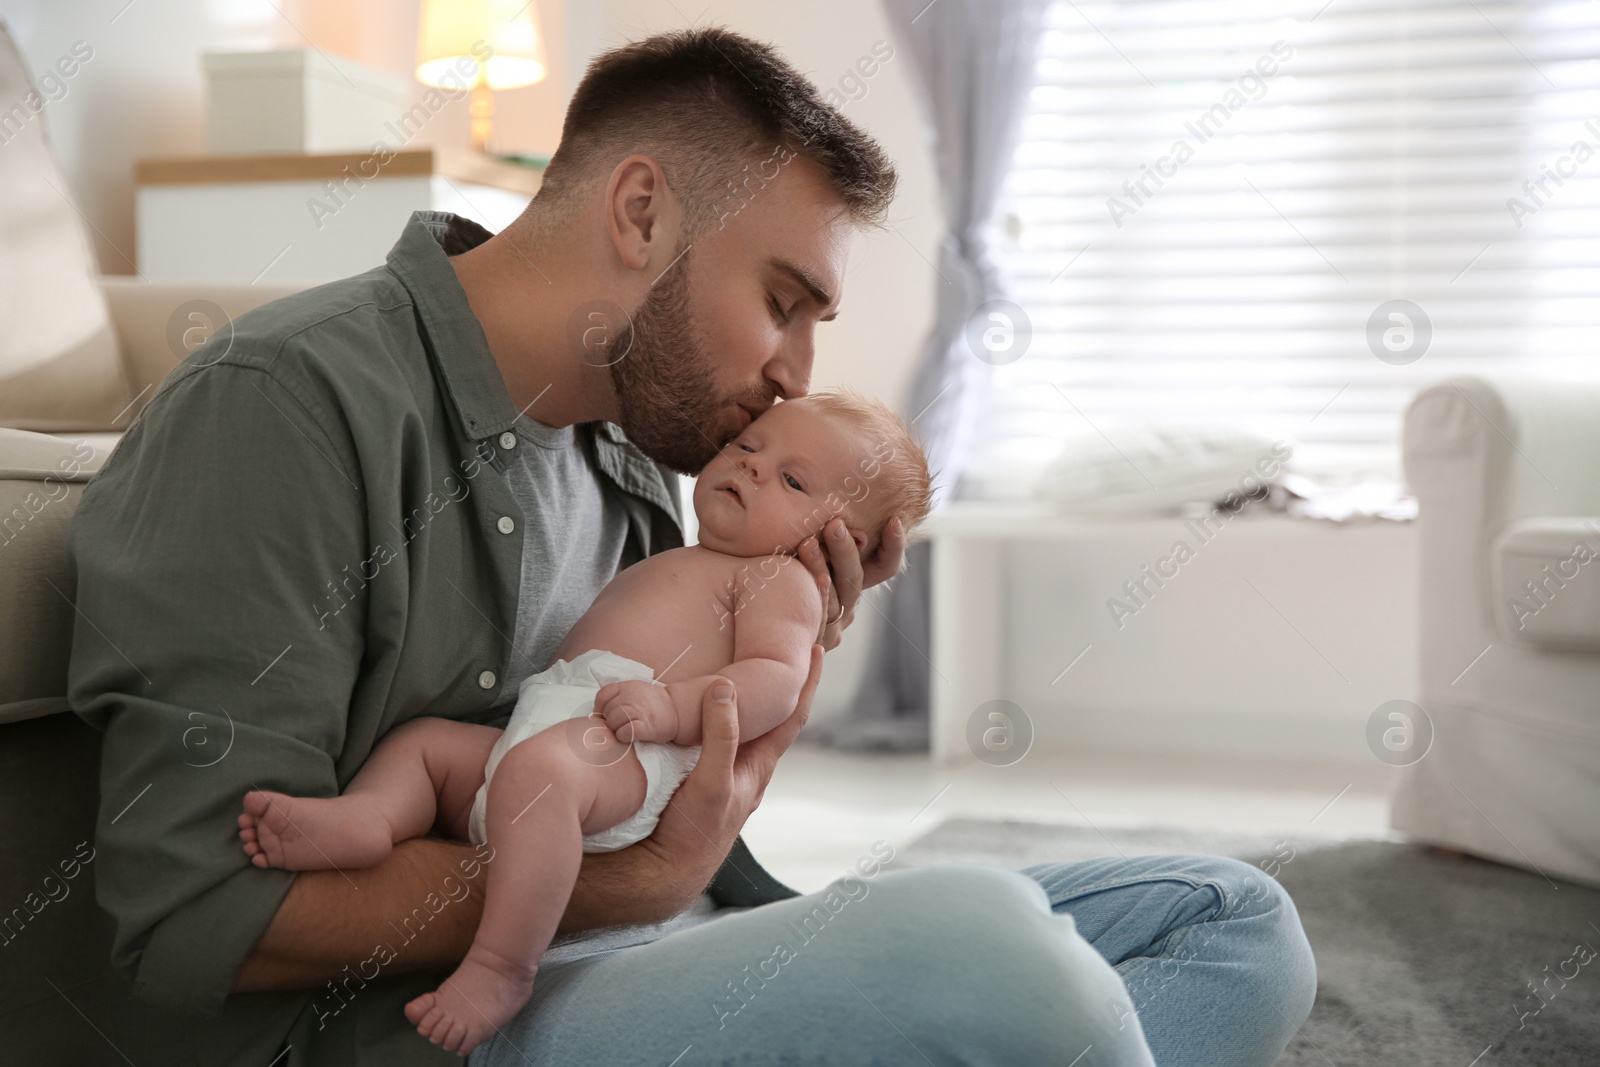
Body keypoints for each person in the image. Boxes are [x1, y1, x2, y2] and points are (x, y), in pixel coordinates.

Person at [66, 27, 1316, 1066]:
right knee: (991, 946)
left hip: (651, 956)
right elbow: (197, 920)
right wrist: (645, 886)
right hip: (441, 1022)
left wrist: (787, 656)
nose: (794, 375)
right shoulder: (285, 404)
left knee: (1235, 922)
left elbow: (682, 796)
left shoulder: (635, 464)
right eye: (782, 301)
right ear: (643, 210)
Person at [236, 393, 934, 1054]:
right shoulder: (697, 556)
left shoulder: (778, 583)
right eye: (749, 444)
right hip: (558, 730)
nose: (751, 463)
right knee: (428, 747)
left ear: (844, 538)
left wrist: (675, 705)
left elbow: (773, 681)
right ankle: (368, 818)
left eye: (792, 478)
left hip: (637, 748)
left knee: (539, 775)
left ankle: (503, 963)